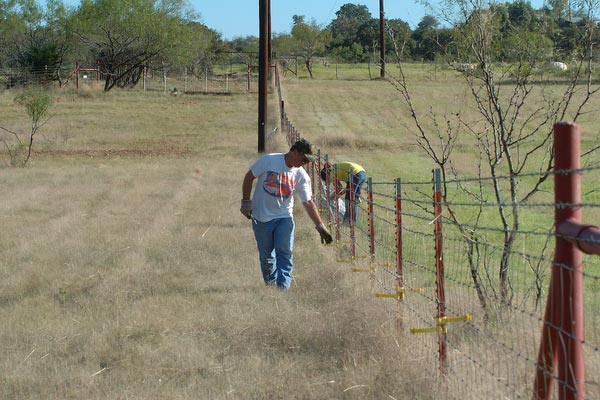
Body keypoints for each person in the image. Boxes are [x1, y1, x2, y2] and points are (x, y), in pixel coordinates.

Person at [240, 138, 333, 290]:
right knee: (267, 257)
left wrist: (320, 227)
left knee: (285, 252)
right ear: (294, 152)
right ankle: (270, 287)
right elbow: (249, 177)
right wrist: (245, 202)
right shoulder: (269, 160)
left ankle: (282, 289)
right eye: (304, 159)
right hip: (261, 217)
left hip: (284, 218)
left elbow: (308, 202)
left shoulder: (301, 176)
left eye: (308, 161)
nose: (305, 163)